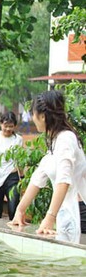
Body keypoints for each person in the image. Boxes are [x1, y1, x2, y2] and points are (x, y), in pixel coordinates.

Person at [9, 91, 85, 242]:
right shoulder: (56, 141)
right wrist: (20, 210)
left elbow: (64, 180)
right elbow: (38, 177)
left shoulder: (65, 138)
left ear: (43, 116)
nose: (32, 118)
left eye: (33, 114)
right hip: (67, 211)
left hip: (80, 211)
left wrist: (50, 217)